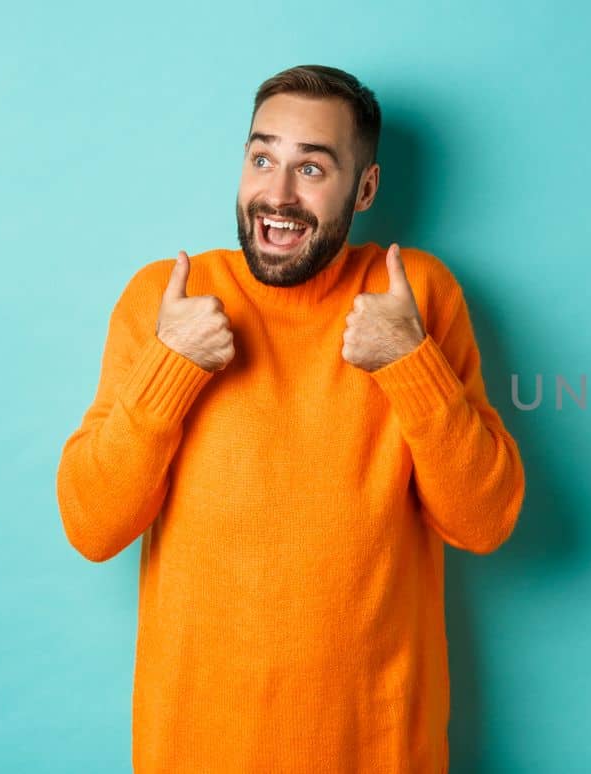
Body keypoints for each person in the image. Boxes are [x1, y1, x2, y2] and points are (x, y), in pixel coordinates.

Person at [55, 64, 525, 772]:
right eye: (262, 157)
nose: (276, 194)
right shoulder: (167, 300)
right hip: (198, 749)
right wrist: (171, 367)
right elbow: (92, 526)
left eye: (312, 168)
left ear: (364, 189)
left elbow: (484, 523)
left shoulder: (416, 297)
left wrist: (410, 364)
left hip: (380, 748)